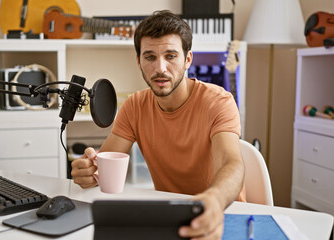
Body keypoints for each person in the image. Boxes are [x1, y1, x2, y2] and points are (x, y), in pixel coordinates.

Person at [71, 10, 245, 239]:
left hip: (225, 214)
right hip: (169, 218)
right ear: (139, 61)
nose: (160, 68)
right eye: (150, 57)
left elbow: (232, 164)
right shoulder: (135, 105)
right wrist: (88, 170)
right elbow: (105, 165)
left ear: (187, 60)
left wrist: (214, 199)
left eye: (171, 56)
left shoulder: (218, 101)